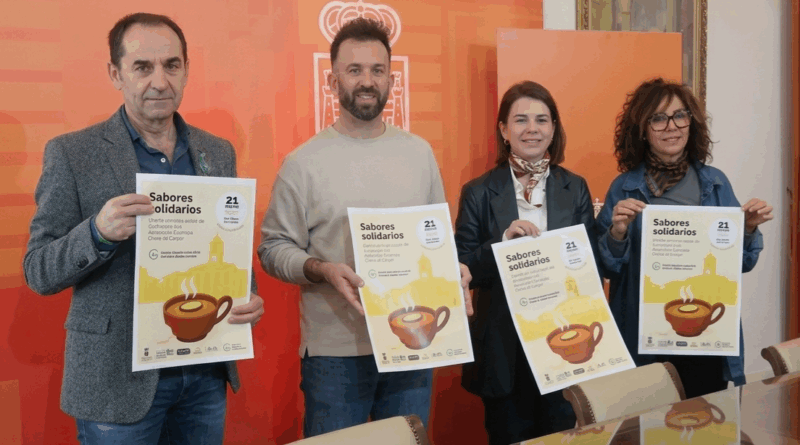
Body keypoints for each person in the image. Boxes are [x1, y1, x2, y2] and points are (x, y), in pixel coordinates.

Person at [23, 13, 264, 445]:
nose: (159, 81)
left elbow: (228, 241)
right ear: (115, 74)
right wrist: (96, 233)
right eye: (142, 67)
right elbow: (38, 270)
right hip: (117, 382)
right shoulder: (72, 153)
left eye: (171, 65)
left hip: (204, 371)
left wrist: (248, 295)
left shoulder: (217, 152)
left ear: (186, 70)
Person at [258, 17, 472, 437]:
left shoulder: (420, 154)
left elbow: (436, 241)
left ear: (391, 78)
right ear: (332, 79)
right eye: (354, 70)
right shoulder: (302, 163)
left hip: (413, 345)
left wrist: (454, 271)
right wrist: (321, 269)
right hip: (336, 355)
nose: (367, 81)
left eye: (377, 70)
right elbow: (272, 249)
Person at [596, 77, 773, 398]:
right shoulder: (623, 188)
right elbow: (608, 269)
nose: (671, 127)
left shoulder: (715, 183)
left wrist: (747, 229)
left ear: (692, 123)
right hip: (644, 338)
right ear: (642, 129)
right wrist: (617, 232)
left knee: (706, 420)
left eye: (680, 116)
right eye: (658, 118)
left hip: (706, 340)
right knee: (645, 422)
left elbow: (741, 264)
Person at [455, 81, 598, 444]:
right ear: (504, 130)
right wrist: (503, 243)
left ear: (554, 128)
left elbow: (591, 262)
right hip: (504, 350)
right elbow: (463, 266)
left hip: (564, 341)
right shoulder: (477, 192)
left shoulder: (575, 188)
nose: (532, 129)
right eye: (520, 120)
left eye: (541, 120)